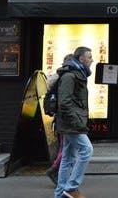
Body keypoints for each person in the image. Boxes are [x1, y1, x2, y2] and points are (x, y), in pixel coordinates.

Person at [54, 47, 94, 198]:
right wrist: (77, 122)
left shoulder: (77, 74)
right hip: (71, 124)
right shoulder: (70, 76)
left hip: (70, 122)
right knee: (87, 150)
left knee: (67, 157)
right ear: (81, 59)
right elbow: (64, 103)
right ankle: (71, 187)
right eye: (89, 57)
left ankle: (59, 194)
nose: (92, 60)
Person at [46, 53, 74, 185]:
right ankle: (55, 171)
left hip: (60, 118)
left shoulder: (59, 76)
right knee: (65, 148)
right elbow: (66, 101)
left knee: (65, 147)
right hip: (65, 119)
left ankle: (61, 175)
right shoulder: (67, 77)